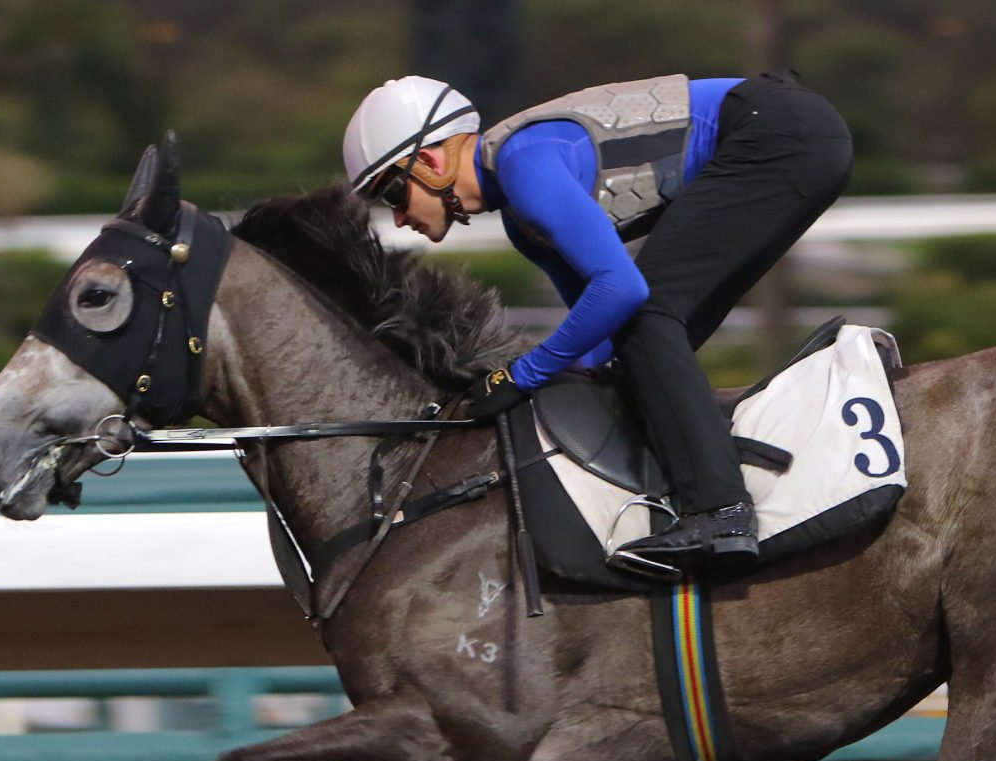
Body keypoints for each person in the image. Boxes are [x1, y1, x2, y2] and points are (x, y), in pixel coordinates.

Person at [341, 72, 853, 579]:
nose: (399, 218)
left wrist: (522, 375)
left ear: (429, 161)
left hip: (776, 130)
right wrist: (524, 380)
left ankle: (720, 511)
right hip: (785, 131)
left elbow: (622, 291)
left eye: (392, 193)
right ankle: (697, 492)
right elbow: (599, 333)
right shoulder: (522, 222)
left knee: (649, 318)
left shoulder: (524, 165)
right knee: (640, 345)